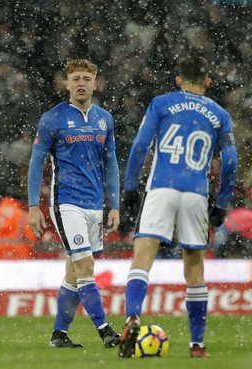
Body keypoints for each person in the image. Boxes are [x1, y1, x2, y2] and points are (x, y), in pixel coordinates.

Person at [118, 56, 238, 359]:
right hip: (196, 192)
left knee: (143, 254)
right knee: (194, 267)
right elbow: (231, 162)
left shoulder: (161, 103)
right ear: (208, 81)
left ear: (178, 79)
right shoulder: (220, 114)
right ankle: (197, 344)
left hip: (161, 186)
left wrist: (130, 188)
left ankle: (132, 317)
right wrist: (221, 203)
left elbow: (140, 146)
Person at [27, 59, 121, 349]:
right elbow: (35, 163)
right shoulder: (52, 118)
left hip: (95, 204)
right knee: (85, 264)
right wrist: (33, 205)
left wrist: (114, 205)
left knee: (73, 271)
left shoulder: (104, 118)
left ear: (95, 83)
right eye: (75, 78)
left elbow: (111, 163)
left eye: (86, 78)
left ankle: (59, 335)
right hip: (66, 202)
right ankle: (106, 331)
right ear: (66, 84)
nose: (81, 83)